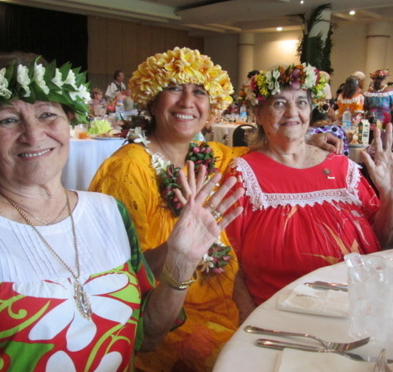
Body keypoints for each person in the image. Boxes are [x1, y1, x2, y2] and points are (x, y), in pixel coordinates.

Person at [0, 51, 244, 370]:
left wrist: (181, 259)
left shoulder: (107, 213)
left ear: (70, 121)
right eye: (8, 120)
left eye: (47, 114)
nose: (33, 134)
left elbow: (147, 337)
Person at [89, 48, 343, 372]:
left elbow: (261, 151)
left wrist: (309, 140)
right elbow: (119, 278)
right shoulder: (128, 169)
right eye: (174, 88)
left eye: (198, 92)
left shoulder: (211, 155)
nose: (187, 102)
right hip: (167, 322)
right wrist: (177, 251)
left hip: (226, 307)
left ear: (211, 107)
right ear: (152, 100)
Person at [224, 63, 393, 305]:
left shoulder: (342, 167)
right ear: (259, 114)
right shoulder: (243, 174)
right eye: (279, 103)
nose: (293, 112)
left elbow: (385, 241)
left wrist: (392, 195)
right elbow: (229, 262)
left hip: (356, 304)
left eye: (301, 102)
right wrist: (246, 318)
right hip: (278, 314)